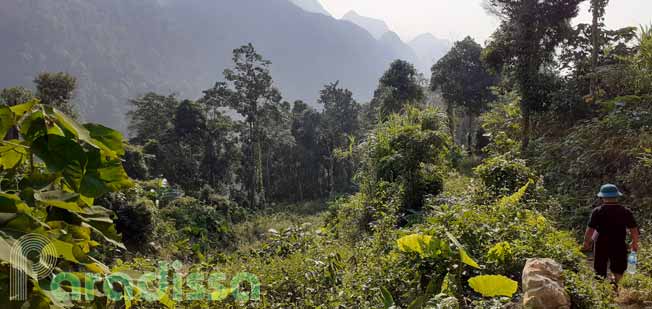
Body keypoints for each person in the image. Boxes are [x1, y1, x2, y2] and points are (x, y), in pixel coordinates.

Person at [582, 184, 639, 283]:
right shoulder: (625, 211)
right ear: (617, 196)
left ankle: (602, 290)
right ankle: (618, 290)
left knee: (600, 269)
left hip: (601, 244)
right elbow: (633, 229)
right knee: (618, 268)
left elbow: (590, 229)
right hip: (619, 244)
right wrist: (634, 242)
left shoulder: (597, 211)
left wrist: (586, 242)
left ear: (602, 197)